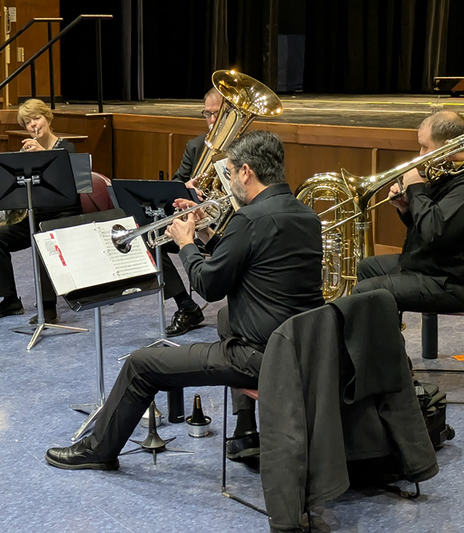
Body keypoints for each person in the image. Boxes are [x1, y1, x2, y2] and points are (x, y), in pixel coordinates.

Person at [45, 130, 325, 471]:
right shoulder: (304, 214)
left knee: (141, 364)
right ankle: (246, 430)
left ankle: (99, 450)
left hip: (259, 356)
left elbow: (208, 287)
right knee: (225, 320)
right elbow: (244, 261)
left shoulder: (249, 219)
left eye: (233, 172)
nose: (231, 180)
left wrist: (186, 243)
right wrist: (206, 232)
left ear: (247, 172)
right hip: (302, 344)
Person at [352, 110, 464, 313]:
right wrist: (407, 208)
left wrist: (416, 189)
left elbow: (434, 231)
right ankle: (383, 340)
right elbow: (427, 228)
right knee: (367, 268)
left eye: (425, 147)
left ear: (448, 146)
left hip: (456, 283)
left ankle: (381, 344)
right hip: (435, 266)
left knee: (365, 292)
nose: (420, 154)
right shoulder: (452, 171)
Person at [0, 99, 81, 325]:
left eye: (36, 119)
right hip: (38, 215)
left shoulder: (67, 148)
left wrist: (42, 156)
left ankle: (48, 307)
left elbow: (68, 188)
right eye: (27, 122)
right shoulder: (27, 152)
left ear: (48, 119)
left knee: (41, 237)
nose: (33, 125)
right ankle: (9, 299)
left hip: (65, 215)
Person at [157, 87, 225, 337]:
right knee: (153, 241)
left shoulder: (247, 147)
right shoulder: (196, 146)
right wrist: (186, 190)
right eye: (207, 114)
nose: (212, 120)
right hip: (200, 224)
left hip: (233, 226)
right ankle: (186, 306)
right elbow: (175, 185)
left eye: (217, 114)